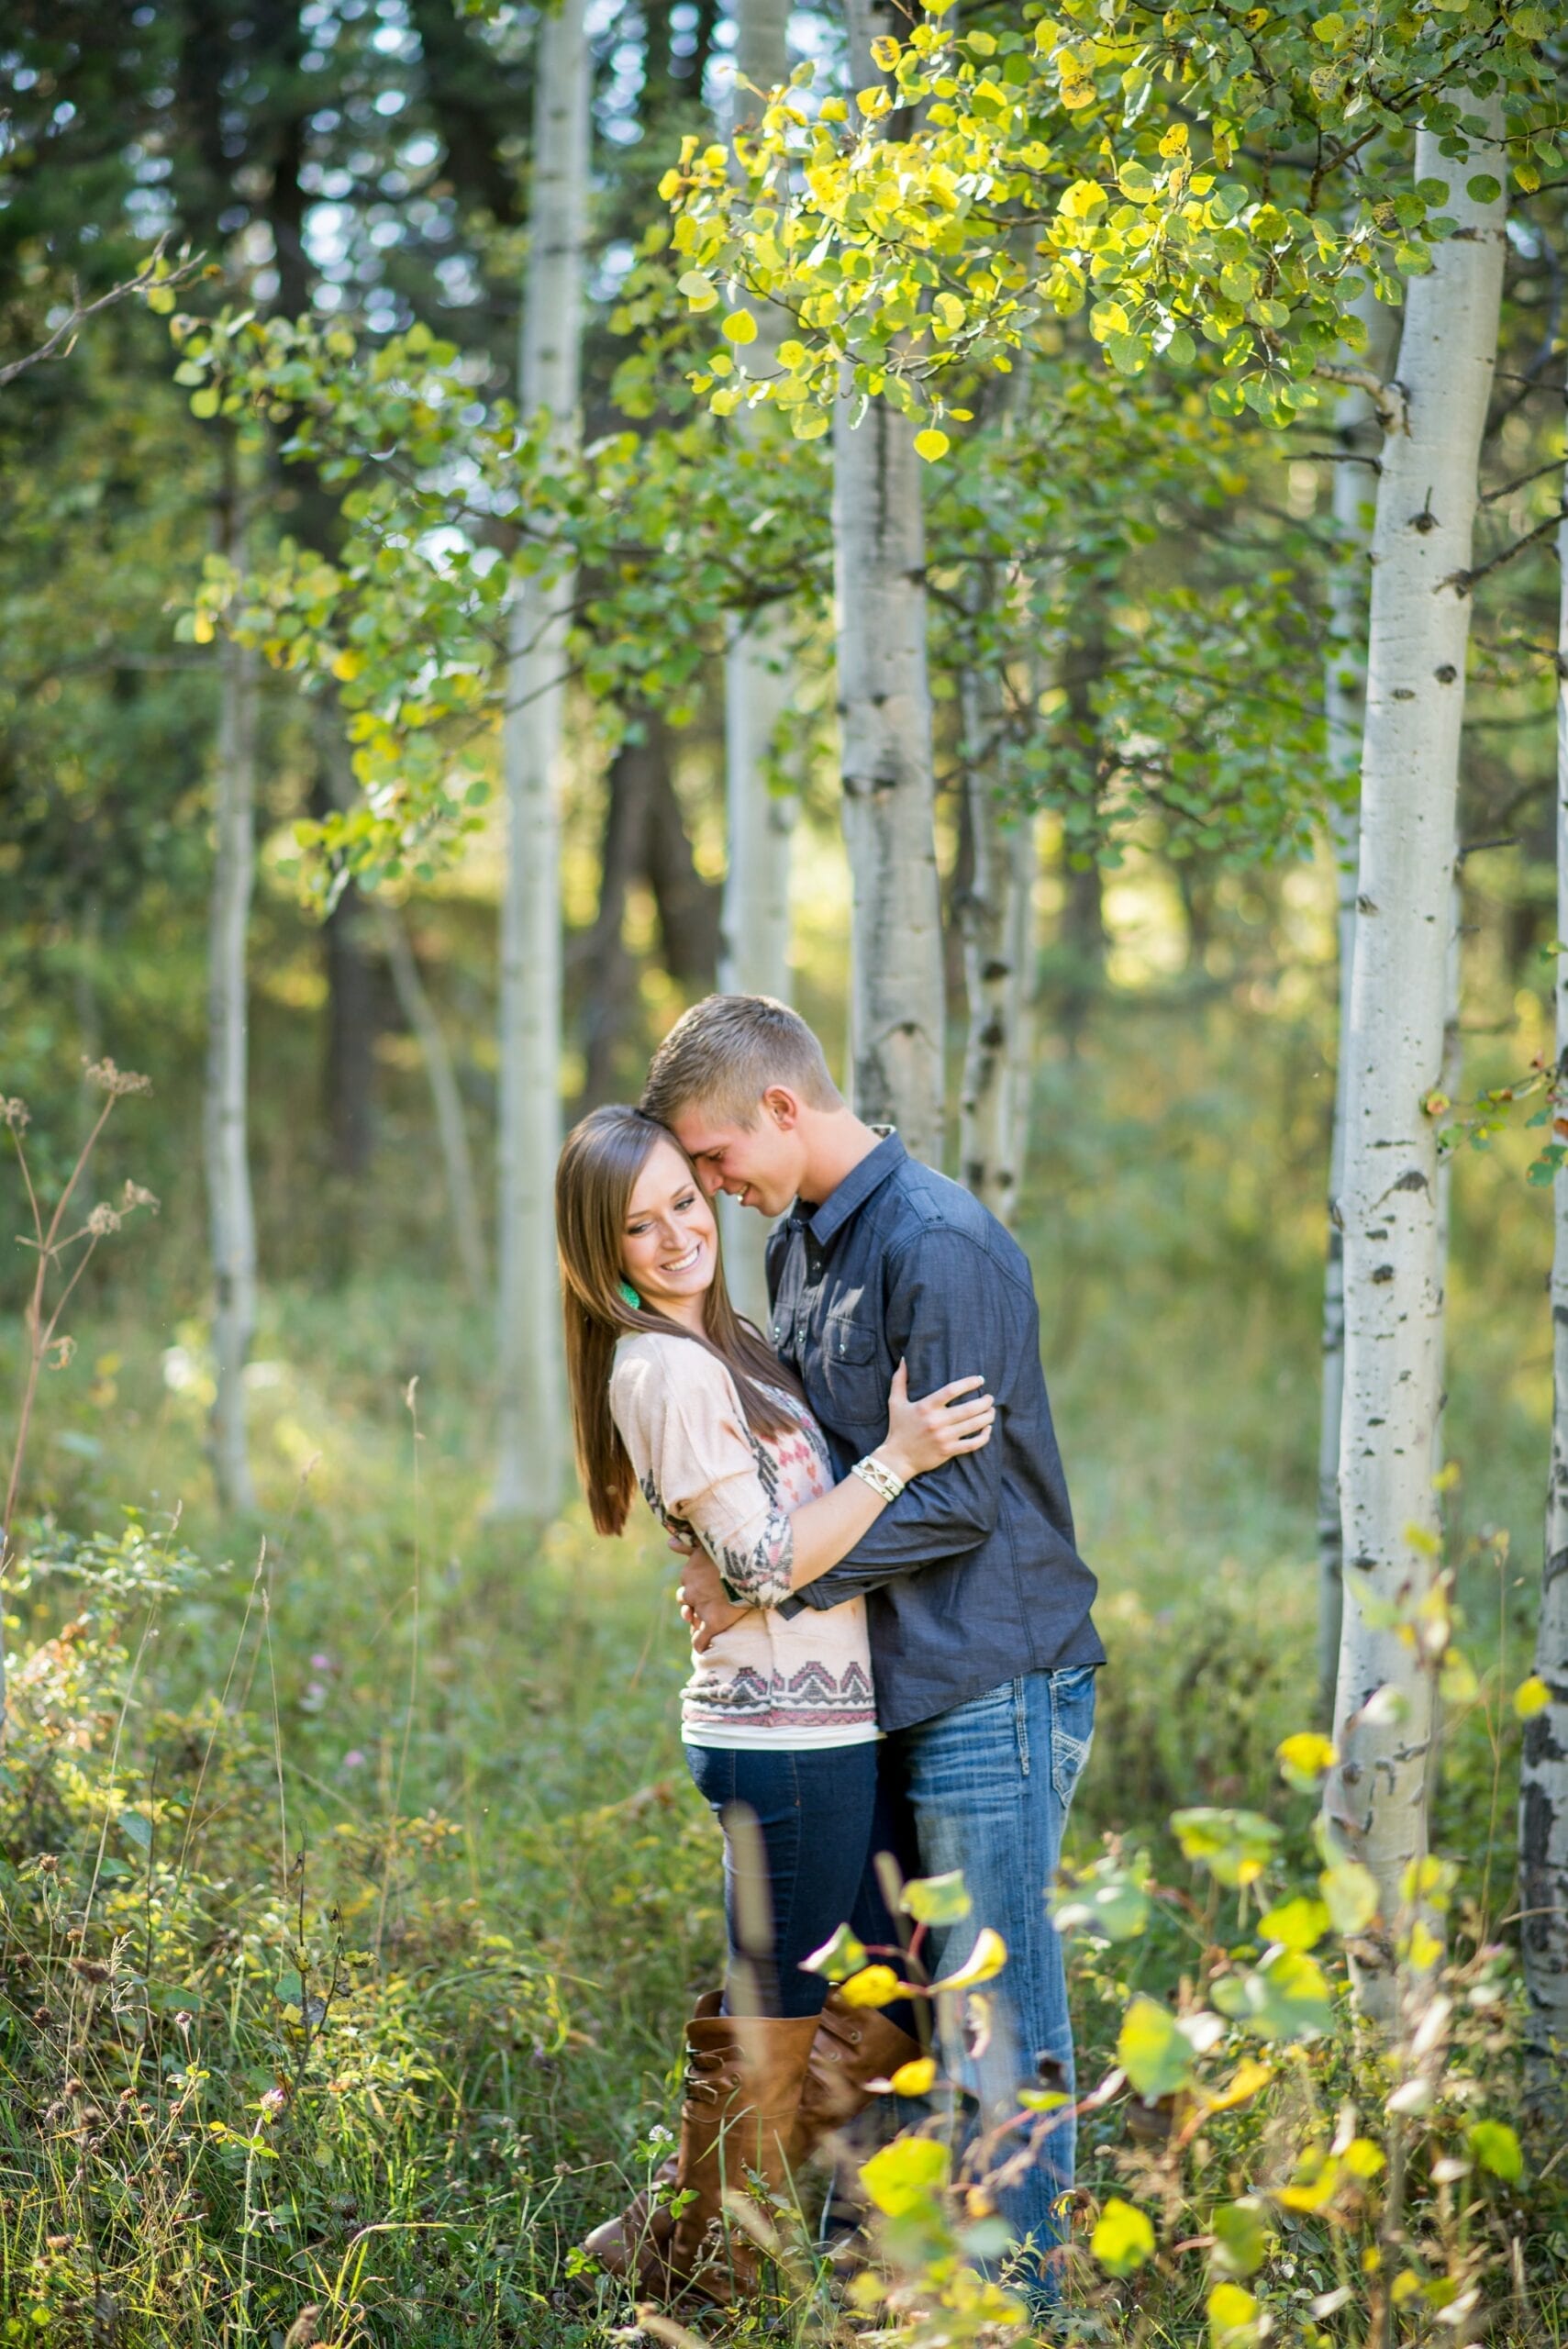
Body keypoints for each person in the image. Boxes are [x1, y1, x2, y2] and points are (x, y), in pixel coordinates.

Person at [641, 995, 1105, 2303]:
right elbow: (822, 1478)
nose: (711, 1189)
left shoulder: (940, 1245)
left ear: (780, 1109)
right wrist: (735, 1560)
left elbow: (955, 1498)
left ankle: (1013, 2307)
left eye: (716, 1159)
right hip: (880, 1690)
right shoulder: (800, 1248)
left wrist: (771, 1586)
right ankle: (892, 2282)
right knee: (896, 2002)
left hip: (987, 1680)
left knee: (993, 2020)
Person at [554, 1103, 995, 2304]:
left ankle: (676, 2233)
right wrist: (897, 1459)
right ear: (599, 1253)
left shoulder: (725, 1347)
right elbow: (761, 1565)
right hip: (777, 1741)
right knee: (777, 2007)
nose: (674, 1235)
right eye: (636, 1227)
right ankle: (703, 2284)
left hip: (820, 1728)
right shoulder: (661, 1368)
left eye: (683, 1204)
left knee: (876, 1986)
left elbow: (753, 1544)